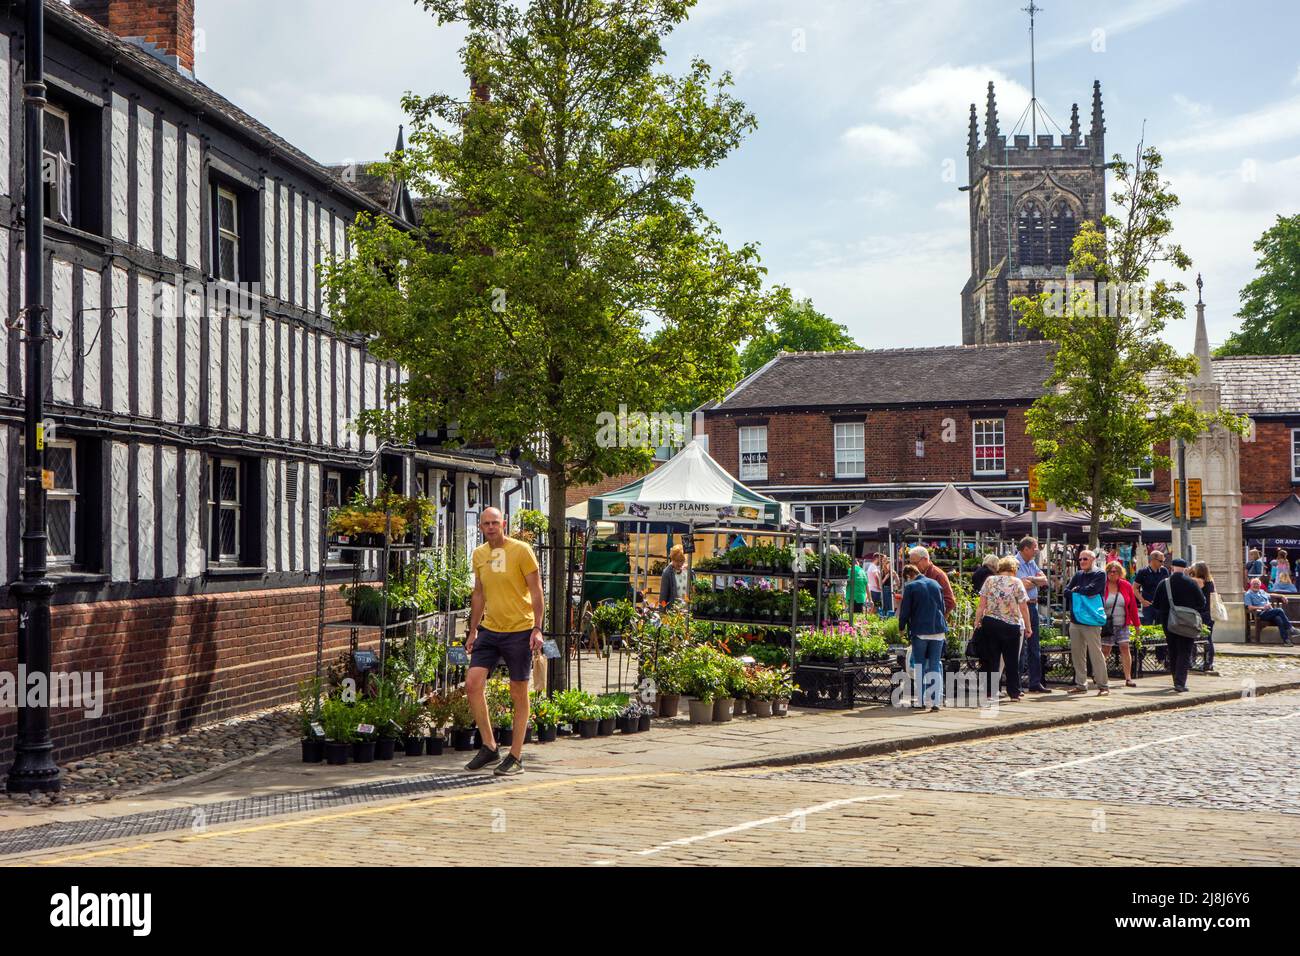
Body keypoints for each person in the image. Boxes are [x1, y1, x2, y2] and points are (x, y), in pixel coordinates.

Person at [465, 507, 545, 775]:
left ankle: (516, 756)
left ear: (504, 524)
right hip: (490, 629)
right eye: (486, 523)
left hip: (519, 630)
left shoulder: (521, 551)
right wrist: (473, 630)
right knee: (473, 684)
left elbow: (536, 591)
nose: (490, 527)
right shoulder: (479, 554)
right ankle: (489, 746)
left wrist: (537, 628)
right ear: (480, 527)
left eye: (495, 523)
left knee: (518, 692)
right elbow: (479, 593)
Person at [974, 556, 1033, 702]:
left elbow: (981, 605)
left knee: (992, 659)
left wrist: (977, 621)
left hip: (990, 623)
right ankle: (1014, 693)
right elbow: (1023, 607)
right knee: (1011, 660)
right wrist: (1028, 626)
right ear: (1013, 569)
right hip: (1011, 624)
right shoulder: (1016, 582)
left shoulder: (990, 580)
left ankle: (990, 693)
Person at [1149, 557, 1207, 693]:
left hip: (1169, 622)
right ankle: (1180, 682)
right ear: (1186, 569)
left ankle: (1176, 679)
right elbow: (1201, 603)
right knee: (1185, 651)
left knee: (1173, 650)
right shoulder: (1192, 584)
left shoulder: (1164, 583)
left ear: (1172, 568)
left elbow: (1155, 604)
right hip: (1187, 622)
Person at [897, 563, 948, 712]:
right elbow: (942, 607)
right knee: (935, 665)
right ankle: (936, 701)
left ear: (908, 576)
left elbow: (905, 611)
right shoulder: (935, 584)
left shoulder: (911, 587)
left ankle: (920, 700)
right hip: (938, 631)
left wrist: (901, 628)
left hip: (920, 631)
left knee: (919, 665)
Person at [1064, 549, 1111, 696]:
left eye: (1085, 559)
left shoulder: (1100, 574)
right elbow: (1066, 591)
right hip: (1075, 620)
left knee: (1096, 653)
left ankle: (1103, 686)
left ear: (1092, 560)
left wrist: (1077, 591)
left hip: (1091, 620)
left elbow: (1093, 590)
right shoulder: (1078, 575)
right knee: (1077, 654)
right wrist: (1078, 591)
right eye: (1080, 559)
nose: (1082, 562)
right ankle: (1081, 684)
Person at [1015, 536, 1051, 694]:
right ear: (1026, 549)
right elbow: (1021, 584)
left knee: (1034, 646)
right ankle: (1016, 684)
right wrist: (1035, 581)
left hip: (1033, 606)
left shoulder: (1031, 562)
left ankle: (1035, 682)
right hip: (1021, 606)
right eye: (1035, 547)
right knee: (1020, 647)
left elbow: (1045, 580)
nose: (1037, 550)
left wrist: (1032, 580)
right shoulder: (1015, 563)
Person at [1102, 560, 1141, 687]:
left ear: (1120, 573)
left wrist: (1137, 624)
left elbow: (1133, 607)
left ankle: (1128, 678)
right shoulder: (1102, 586)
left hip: (1123, 623)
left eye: (1115, 571)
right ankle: (1101, 676)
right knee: (1106, 650)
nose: (1112, 574)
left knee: (1125, 647)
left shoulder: (1126, 585)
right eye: (1110, 571)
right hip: (1107, 624)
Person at [908, 546, 957, 618]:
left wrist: (936, 617)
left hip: (932, 626)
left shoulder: (938, 575)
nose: (913, 567)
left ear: (925, 559)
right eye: (911, 564)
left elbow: (950, 602)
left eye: (915, 563)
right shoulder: (918, 574)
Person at [1244, 578, 1294, 645]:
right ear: (1251, 585)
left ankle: (1286, 640)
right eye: (1254, 584)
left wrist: (1282, 596)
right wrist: (1263, 607)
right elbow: (1250, 607)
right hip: (1260, 614)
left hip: (1270, 612)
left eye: (1258, 584)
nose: (1256, 585)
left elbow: (1271, 595)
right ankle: (1290, 628)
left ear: (1260, 585)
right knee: (1279, 610)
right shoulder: (1248, 594)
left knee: (1279, 619)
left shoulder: (1262, 591)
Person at [1190, 561, 1219, 674]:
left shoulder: (1198, 581)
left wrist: (1188, 572)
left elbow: (1185, 578)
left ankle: (1195, 661)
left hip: (1201, 614)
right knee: (1208, 638)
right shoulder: (1210, 581)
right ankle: (1208, 662)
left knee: (1195, 637)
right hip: (1209, 614)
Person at [1133, 551, 1170, 626]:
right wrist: (1142, 600)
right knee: (1147, 627)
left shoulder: (1164, 571)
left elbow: (1167, 587)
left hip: (1161, 606)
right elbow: (1134, 588)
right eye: (1160, 561)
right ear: (1153, 560)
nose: (1162, 563)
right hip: (1148, 606)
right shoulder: (1143, 572)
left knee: (1162, 628)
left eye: (1163, 561)